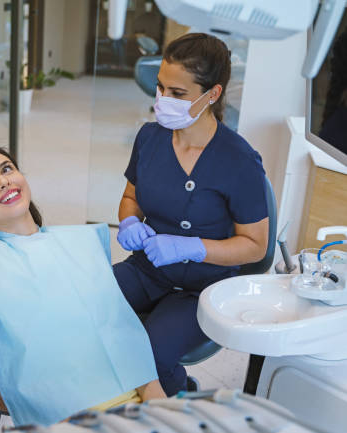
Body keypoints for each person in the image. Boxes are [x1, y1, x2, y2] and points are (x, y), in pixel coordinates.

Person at [0, 144, 166, 426]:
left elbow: (131, 352)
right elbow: (2, 390)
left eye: (7, 169)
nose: (3, 181)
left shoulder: (81, 247)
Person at [113, 33, 269, 396]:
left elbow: (255, 246)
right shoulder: (150, 138)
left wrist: (194, 248)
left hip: (203, 287)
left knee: (151, 351)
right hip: (148, 269)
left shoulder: (239, 160)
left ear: (212, 94)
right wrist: (128, 220)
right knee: (87, 308)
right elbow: (129, 196)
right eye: (160, 88)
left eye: (177, 93)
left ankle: (177, 394)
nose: (162, 101)